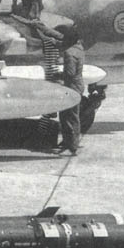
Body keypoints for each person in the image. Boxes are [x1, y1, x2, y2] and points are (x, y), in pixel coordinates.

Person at [53, 23, 85, 155]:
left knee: (67, 116)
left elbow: (70, 73)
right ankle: (72, 143)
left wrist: (57, 74)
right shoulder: (79, 49)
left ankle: (70, 144)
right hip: (78, 85)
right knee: (73, 116)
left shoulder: (69, 53)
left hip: (71, 86)